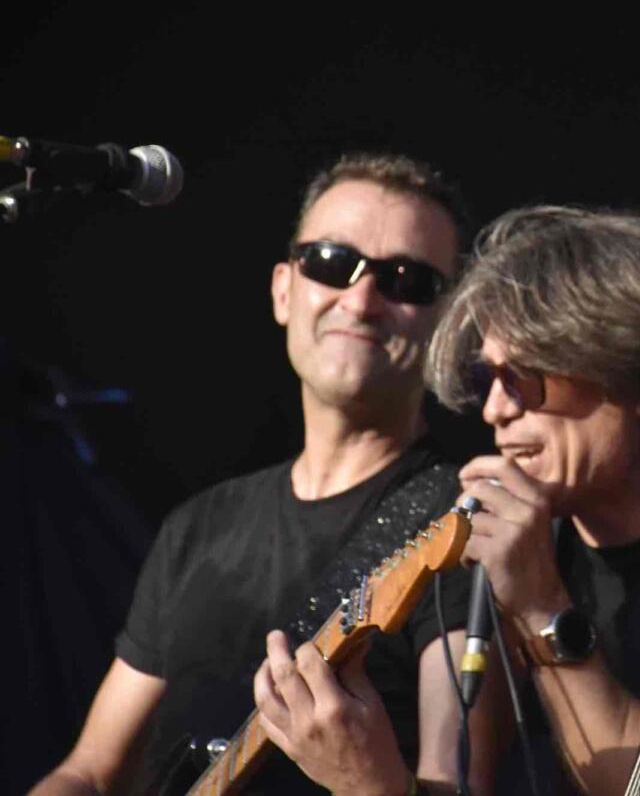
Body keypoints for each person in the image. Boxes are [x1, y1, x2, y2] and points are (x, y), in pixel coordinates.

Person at [32, 152, 500, 795]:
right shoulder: (199, 524)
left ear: (448, 323)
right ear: (284, 290)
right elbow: (89, 769)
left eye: (407, 280)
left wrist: (370, 781)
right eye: (331, 263)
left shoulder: (465, 522)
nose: (361, 300)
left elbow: (458, 786)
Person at [424, 205, 640, 794]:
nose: (495, 410)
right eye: (487, 380)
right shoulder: (525, 546)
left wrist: (542, 611)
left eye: (524, 377)